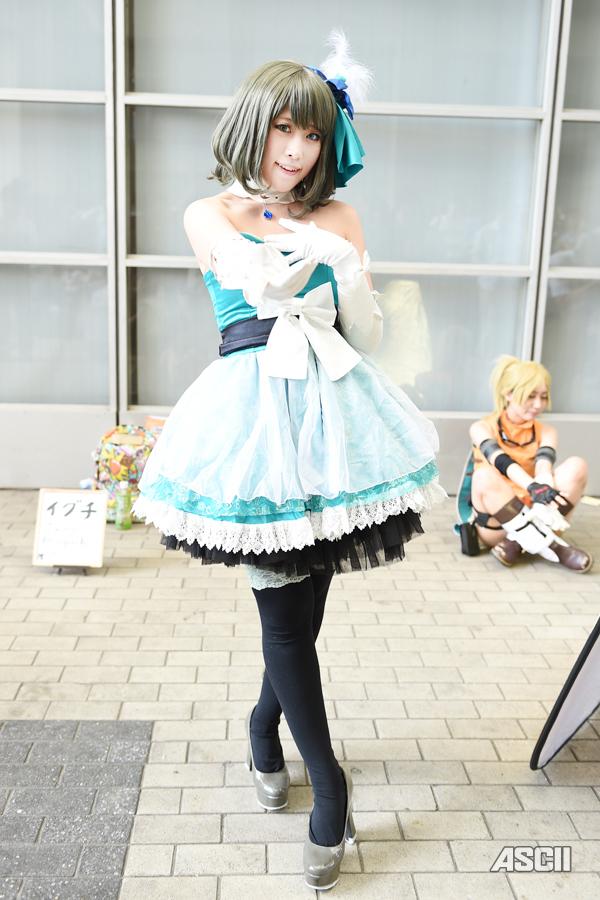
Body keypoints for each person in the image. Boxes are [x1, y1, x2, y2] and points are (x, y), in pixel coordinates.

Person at [134, 33, 444, 891]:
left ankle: (262, 726)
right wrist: (296, 255)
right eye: (283, 129)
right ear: (252, 127)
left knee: (306, 611)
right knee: (282, 617)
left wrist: (348, 272)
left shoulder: (342, 218)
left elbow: (366, 334)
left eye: (313, 134)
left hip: (338, 420)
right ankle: (331, 788)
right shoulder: (210, 213)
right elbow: (253, 282)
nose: (297, 150)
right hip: (254, 425)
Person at [469, 355, 592, 572]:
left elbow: (544, 465)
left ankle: (518, 542)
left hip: (538, 511)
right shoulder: (482, 428)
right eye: (530, 396)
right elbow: (501, 461)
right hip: (498, 523)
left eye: (543, 397)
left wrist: (543, 485)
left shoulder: (547, 431)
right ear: (508, 394)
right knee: (483, 475)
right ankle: (556, 548)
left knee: (577, 465)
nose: (538, 404)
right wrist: (532, 486)